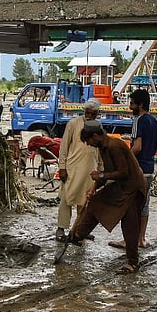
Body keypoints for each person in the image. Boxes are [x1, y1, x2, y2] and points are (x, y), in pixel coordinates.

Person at [70, 120, 147, 274]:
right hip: (122, 186)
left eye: (89, 141)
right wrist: (96, 185)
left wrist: (100, 175)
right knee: (97, 201)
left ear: (96, 136)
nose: (89, 144)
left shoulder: (114, 146)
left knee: (129, 223)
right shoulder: (103, 147)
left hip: (133, 187)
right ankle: (79, 234)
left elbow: (122, 172)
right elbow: (109, 171)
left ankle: (133, 262)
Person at [110, 89, 157, 249]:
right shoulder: (154, 121)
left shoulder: (139, 120)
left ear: (140, 105)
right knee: (144, 205)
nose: (130, 106)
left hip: (138, 169)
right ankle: (141, 239)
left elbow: (137, 147)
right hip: (150, 168)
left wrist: (125, 160)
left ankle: (128, 240)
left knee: (130, 205)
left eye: (132, 103)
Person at [55, 98, 101, 242]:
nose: (90, 116)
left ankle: (80, 231)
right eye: (88, 113)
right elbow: (64, 148)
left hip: (89, 171)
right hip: (72, 169)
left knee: (85, 202)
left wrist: (100, 169)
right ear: (84, 112)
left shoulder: (98, 127)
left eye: (93, 114)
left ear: (97, 114)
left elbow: (100, 150)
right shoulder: (73, 124)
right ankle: (61, 229)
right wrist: (62, 167)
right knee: (66, 198)